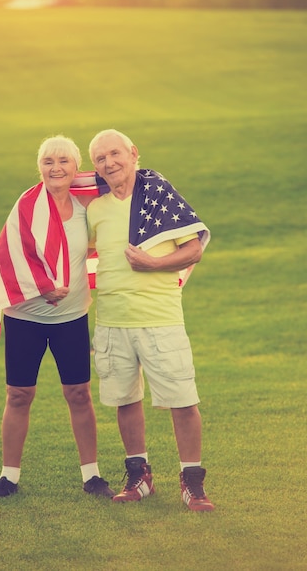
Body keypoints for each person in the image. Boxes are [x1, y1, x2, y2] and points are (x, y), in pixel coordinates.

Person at [0, 135, 114, 499]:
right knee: (19, 395)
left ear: (75, 166)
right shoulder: (26, 206)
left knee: (79, 393)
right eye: (49, 161)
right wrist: (42, 287)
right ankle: (8, 478)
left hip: (71, 319)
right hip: (25, 319)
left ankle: (92, 475)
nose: (56, 168)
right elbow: (10, 257)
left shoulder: (88, 206)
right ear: (40, 167)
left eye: (64, 161)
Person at [87, 129, 214, 511]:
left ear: (133, 153)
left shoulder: (157, 196)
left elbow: (194, 250)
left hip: (160, 319)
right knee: (125, 399)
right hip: (111, 320)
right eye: (99, 159)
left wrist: (153, 263)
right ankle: (139, 477)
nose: (109, 163)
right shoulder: (95, 209)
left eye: (115, 154)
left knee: (183, 400)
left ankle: (193, 483)